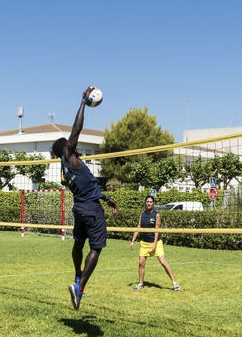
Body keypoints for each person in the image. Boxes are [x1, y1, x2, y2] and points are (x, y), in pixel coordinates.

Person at [54, 86, 119, 310]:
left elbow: (87, 188)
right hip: (90, 210)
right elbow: (77, 128)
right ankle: (80, 288)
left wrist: (106, 196)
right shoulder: (69, 156)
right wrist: (84, 102)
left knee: (78, 243)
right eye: (70, 144)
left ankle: (76, 276)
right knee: (96, 248)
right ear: (66, 148)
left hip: (81, 208)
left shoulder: (65, 170)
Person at [129, 195, 179, 291]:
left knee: (163, 262)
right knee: (141, 263)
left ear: (153, 203)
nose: (149, 203)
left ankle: (175, 283)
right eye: (147, 201)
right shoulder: (142, 215)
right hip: (144, 243)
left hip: (156, 242)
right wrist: (132, 241)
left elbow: (157, 230)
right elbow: (138, 227)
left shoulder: (156, 215)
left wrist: (154, 244)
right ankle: (141, 284)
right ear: (145, 203)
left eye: (150, 202)